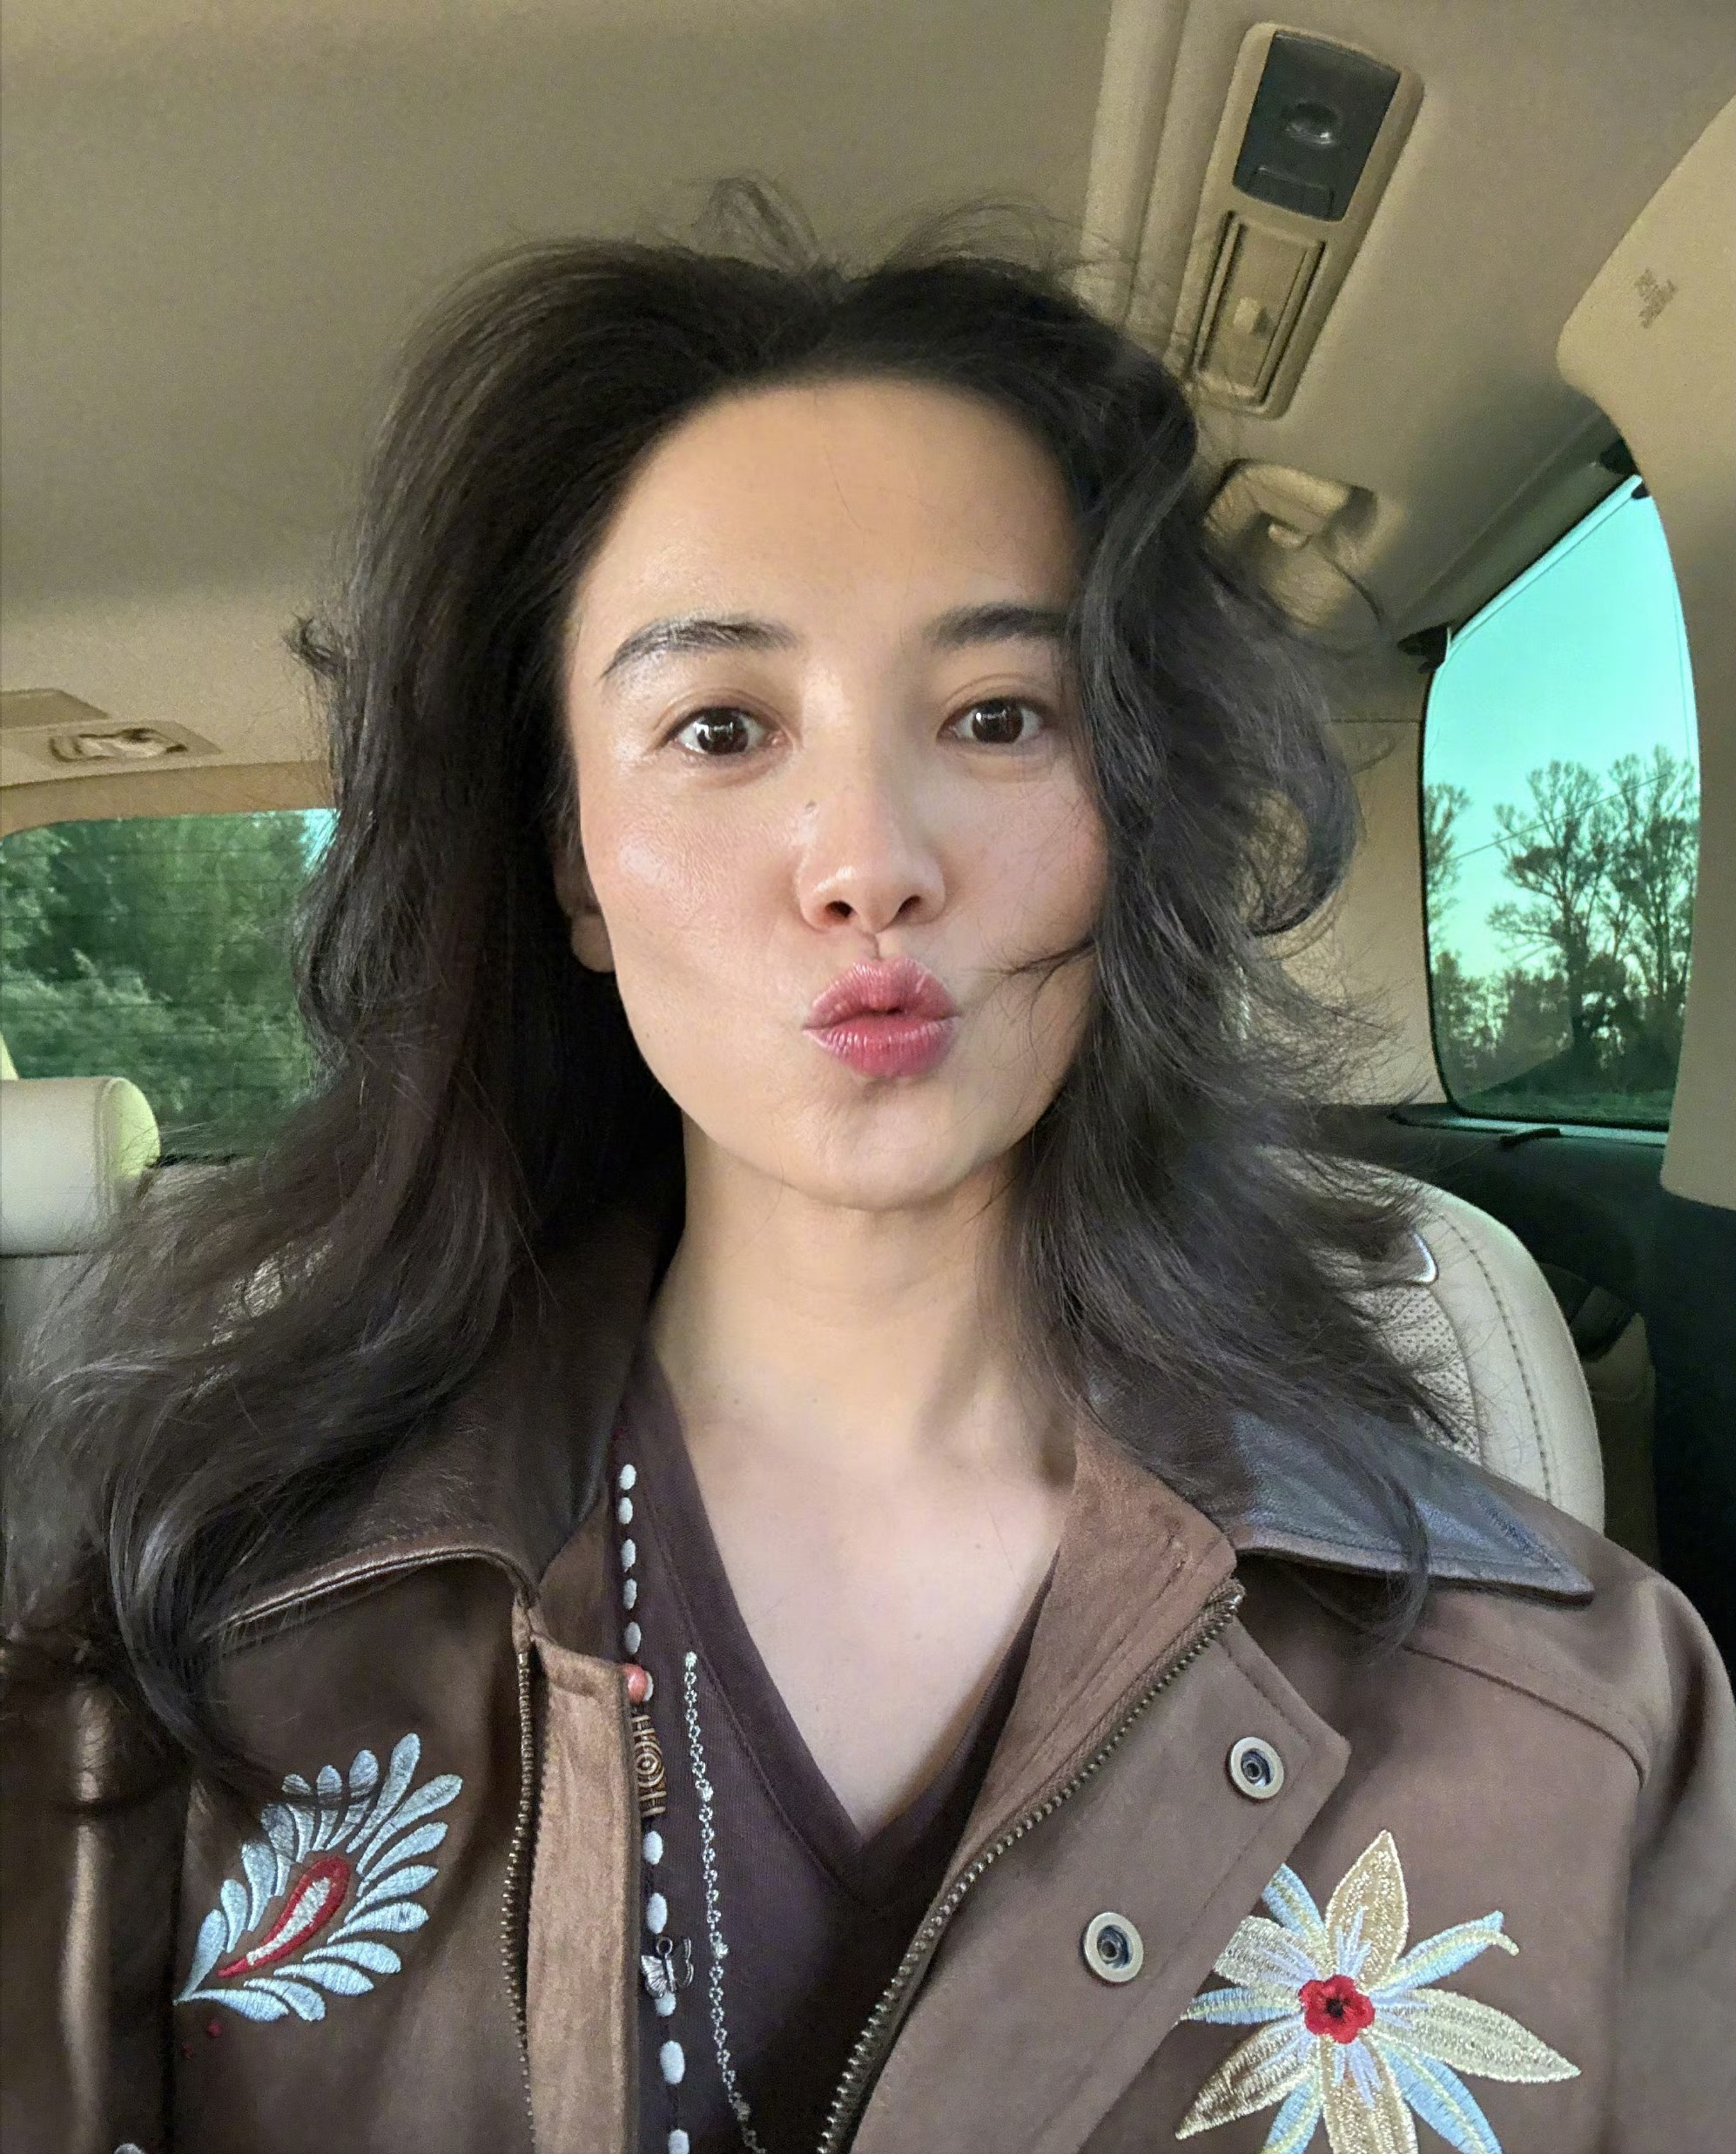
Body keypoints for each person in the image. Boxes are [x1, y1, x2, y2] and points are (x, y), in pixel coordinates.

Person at [3, 188, 1732, 2154]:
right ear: (574, 865)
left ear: (1132, 807)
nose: (866, 861)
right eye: (719, 727)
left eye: (996, 718)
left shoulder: (1575, 1708)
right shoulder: (196, 1644)